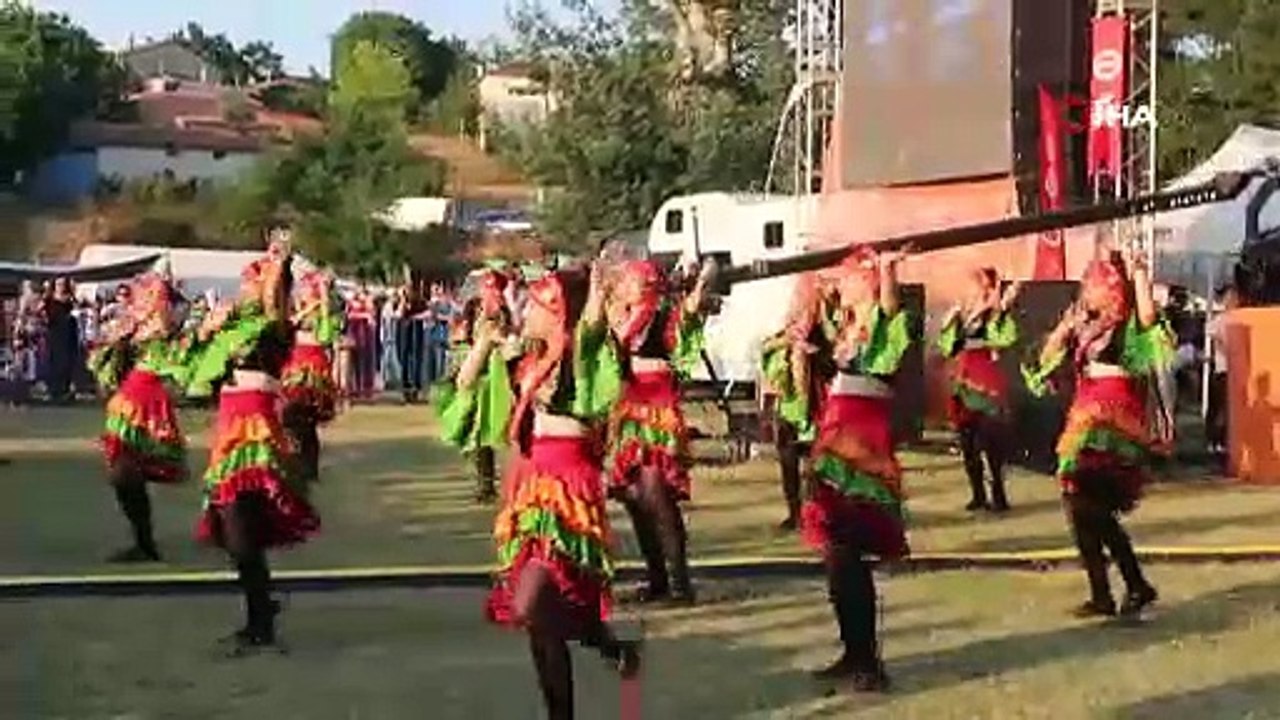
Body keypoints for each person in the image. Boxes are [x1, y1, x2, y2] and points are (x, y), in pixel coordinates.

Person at [480, 262, 640, 720]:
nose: (527, 311)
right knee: (544, 613)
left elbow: (590, 332)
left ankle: (598, 655)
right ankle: (606, 652)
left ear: (558, 313)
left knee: (535, 605)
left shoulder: (578, 357)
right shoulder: (530, 360)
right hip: (532, 489)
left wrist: (595, 295)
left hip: (568, 490)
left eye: (537, 305)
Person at [186, 238, 319, 655]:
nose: (243, 290)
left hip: (254, 429)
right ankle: (261, 611)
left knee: (240, 526)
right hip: (229, 428)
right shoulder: (232, 330)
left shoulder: (275, 326)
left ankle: (260, 621)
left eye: (250, 283)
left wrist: (278, 263)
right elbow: (194, 375)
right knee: (235, 530)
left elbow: (275, 300)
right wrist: (206, 330)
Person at [1022, 249, 1170, 619]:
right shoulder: (1086, 327)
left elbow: (1149, 319)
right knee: (1079, 507)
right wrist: (1064, 327)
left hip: (1112, 419)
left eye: (1092, 285)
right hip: (1085, 416)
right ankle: (1116, 590)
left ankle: (1128, 587)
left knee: (1089, 505)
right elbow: (1047, 358)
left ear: (1109, 288)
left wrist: (1140, 273)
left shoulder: (1126, 323)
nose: (1086, 291)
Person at [802, 247, 911, 693]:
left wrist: (887, 270)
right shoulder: (848, 326)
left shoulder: (884, 320)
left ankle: (868, 662)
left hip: (862, 443)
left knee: (849, 551)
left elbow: (890, 306)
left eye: (848, 278)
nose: (841, 284)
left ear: (866, 283)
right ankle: (854, 652)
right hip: (837, 434)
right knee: (836, 555)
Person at [604, 258, 714, 605]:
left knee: (656, 495)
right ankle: (657, 580)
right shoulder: (618, 317)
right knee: (635, 498)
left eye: (632, 281)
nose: (625, 286)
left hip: (656, 412)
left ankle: (680, 583)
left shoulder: (662, 315)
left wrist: (702, 281)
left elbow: (690, 314)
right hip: (629, 414)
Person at [88, 273, 190, 563]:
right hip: (128, 402)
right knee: (123, 475)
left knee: (126, 473)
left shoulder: (163, 323)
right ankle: (143, 541)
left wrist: (158, 302)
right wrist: (118, 338)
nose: (136, 300)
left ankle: (145, 543)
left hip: (147, 403)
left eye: (144, 295)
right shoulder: (132, 324)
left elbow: (171, 324)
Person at [936, 268, 1021, 513]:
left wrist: (997, 312)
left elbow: (1005, 339)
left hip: (985, 382)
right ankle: (978, 494)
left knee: (990, 443)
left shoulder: (994, 315)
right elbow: (947, 348)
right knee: (968, 444)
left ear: (989, 288)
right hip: (963, 383)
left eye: (979, 286)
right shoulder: (963, 315)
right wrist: (949, 324)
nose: (972, 291)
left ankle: (998, 494)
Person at [759, 278, 838, 530]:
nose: (802, 317)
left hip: (817, 405)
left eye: (807, 310)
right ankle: (794, 513)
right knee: (788, 462)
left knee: (817, 466)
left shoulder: (824, 333)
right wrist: (789, 343)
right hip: (789, 407)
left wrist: (812, 349)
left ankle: (819, 512)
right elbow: (765, 352)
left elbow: (834, 358)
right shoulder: (781, 335)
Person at [436, 271, 517, 504]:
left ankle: (494, 482)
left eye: (493, 287)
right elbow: (459, 337)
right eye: (487, 286)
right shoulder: (473, 309)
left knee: (493, 431)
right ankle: (485, 482)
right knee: (476, 433)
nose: (490, 291)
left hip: (494, 376)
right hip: (475, 373)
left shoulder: (502, 311)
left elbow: (507, 340)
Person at [281, 265, 344, 484]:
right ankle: (301, 465)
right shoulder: (300, 311)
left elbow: (325, 336)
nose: (302, 291)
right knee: (295, 420)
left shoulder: (321, 313)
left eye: (306, 287)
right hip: (294, 366)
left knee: (305, 420)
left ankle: (308, 468)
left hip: (311, 369)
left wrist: (322, 300)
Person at [1206, 284, 1239, 463]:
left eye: (1235, 296)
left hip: (1237, 371)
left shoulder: (1241, 319)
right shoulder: (1218, 321)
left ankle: (1224, 440)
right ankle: (1215, 441)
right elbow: (1215, 341)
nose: (1232, 300)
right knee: (1220, 407)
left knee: (1229, 409)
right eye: (1229, 296)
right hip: (1223, 369)